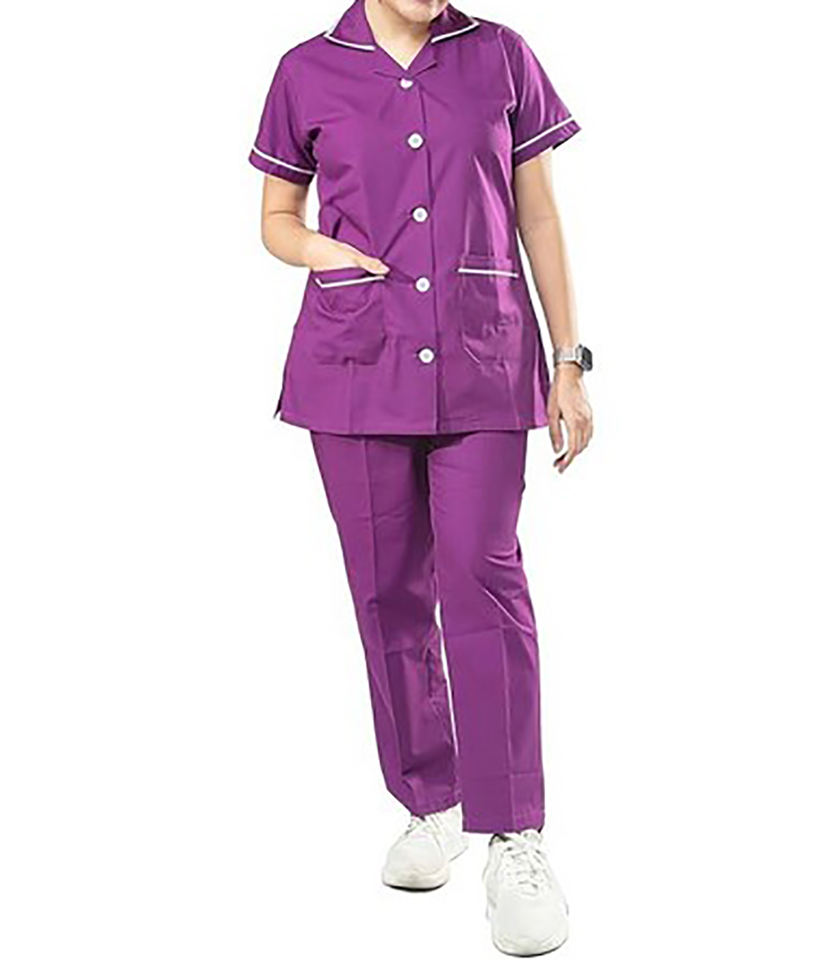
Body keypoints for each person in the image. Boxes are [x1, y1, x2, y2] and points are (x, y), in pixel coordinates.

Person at [248, 1, 593, 953]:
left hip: (484, 360)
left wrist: (569, 359)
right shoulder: (306, 70)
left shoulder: (501, 56)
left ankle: (513, 834)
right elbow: (275, 218)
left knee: (484, 580)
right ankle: (428, 802)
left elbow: (537, 211)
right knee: (386, 592)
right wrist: (321, 252)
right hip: (353, 364)